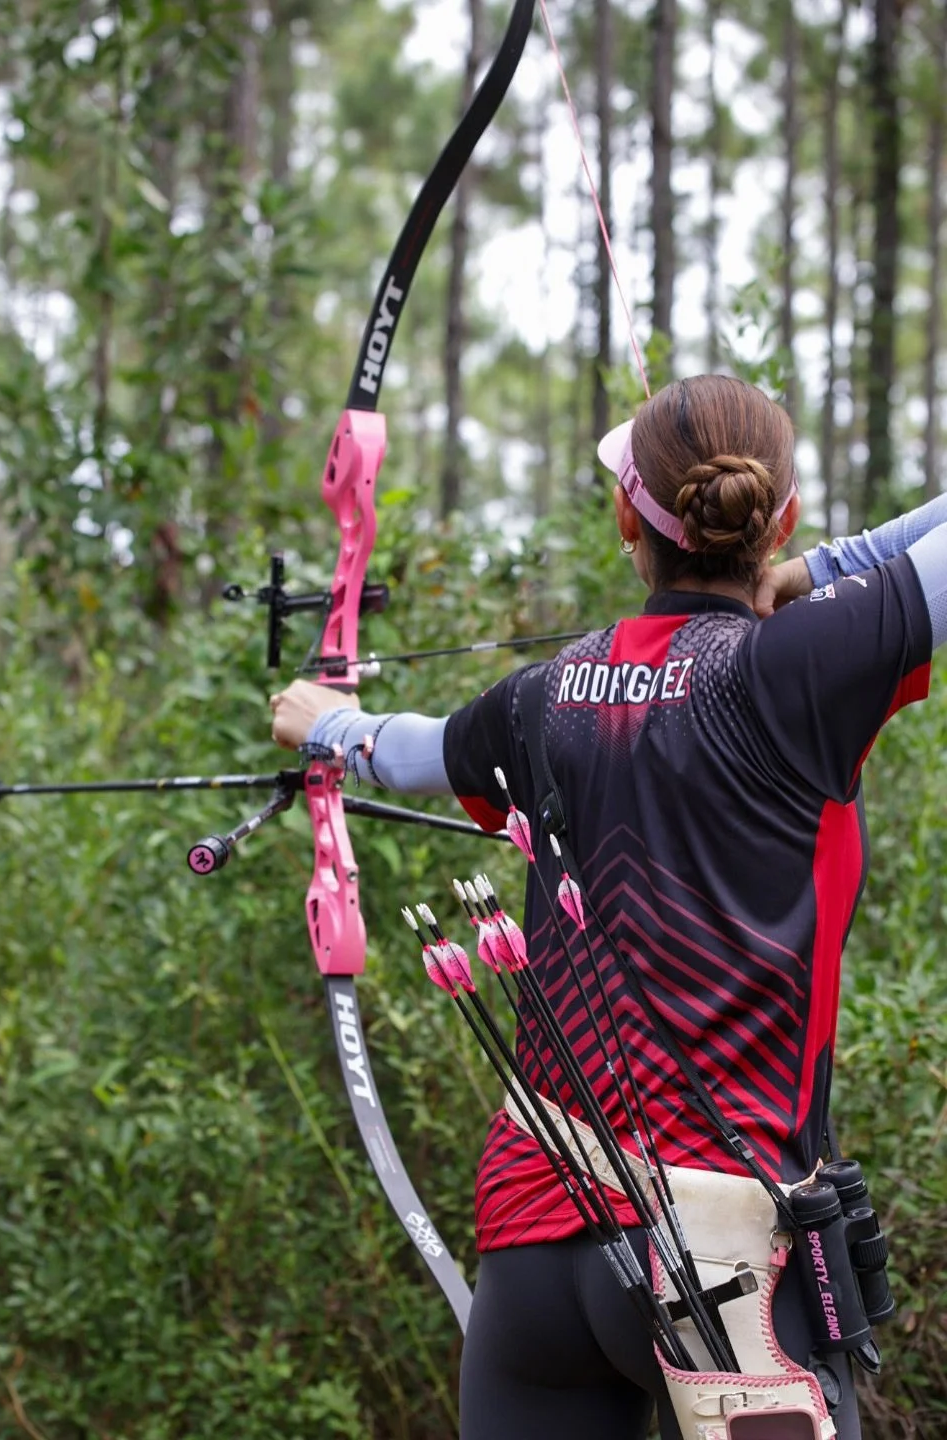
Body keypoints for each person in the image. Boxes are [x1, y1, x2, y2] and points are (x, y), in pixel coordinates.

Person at [270, 374, 943, 1440]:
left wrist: (325, 728)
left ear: (629, 517)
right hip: (730, 1270)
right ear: (786, 514)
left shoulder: (544, 696)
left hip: (540, 1252)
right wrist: (823, 568)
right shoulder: (803, 666)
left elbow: (406, 748)